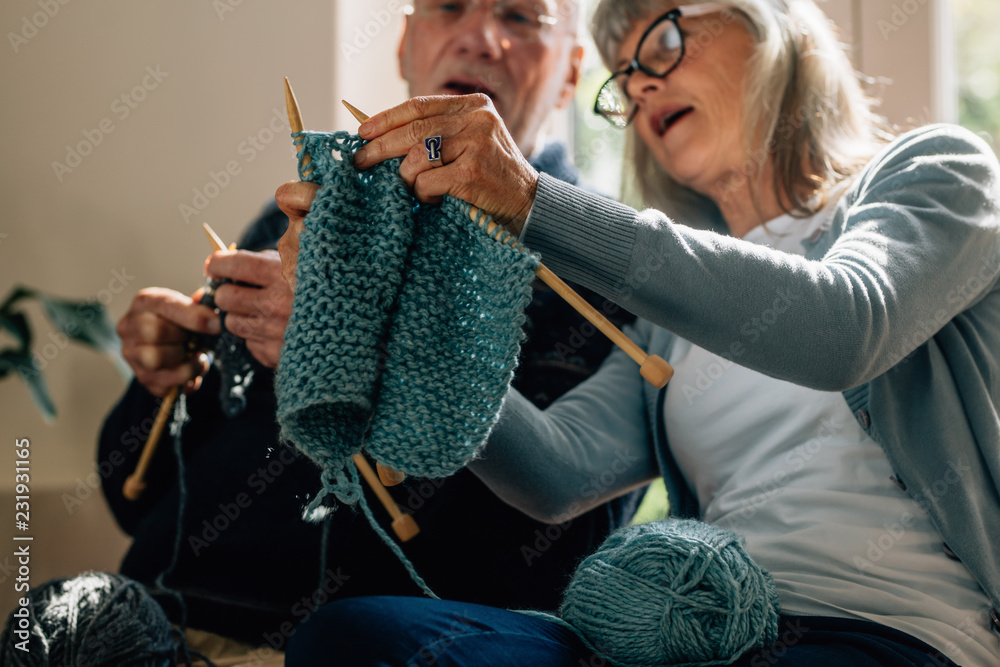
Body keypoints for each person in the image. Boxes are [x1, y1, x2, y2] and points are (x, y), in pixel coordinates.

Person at [276, 0, 1000, 665]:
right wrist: (392, 325)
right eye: (623, 74)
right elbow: (558, 473)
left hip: (897, 633)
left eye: (663, 41)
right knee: (353, 639)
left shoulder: (937, 171)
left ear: (778, 28)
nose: (640, 85)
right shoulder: (671, 317)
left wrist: (530, 200)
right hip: (700, 636)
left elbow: (843, 326)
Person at [98, 0, 644, 662]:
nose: (480, 38)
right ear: (406, 44)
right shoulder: (305, 213)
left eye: (521, 17)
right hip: (149, 611)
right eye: (449, 7)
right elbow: (133, 495)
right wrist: (165, 384)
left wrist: (356, 349)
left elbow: (545, 568)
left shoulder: (600, 264)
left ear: (570, 73)